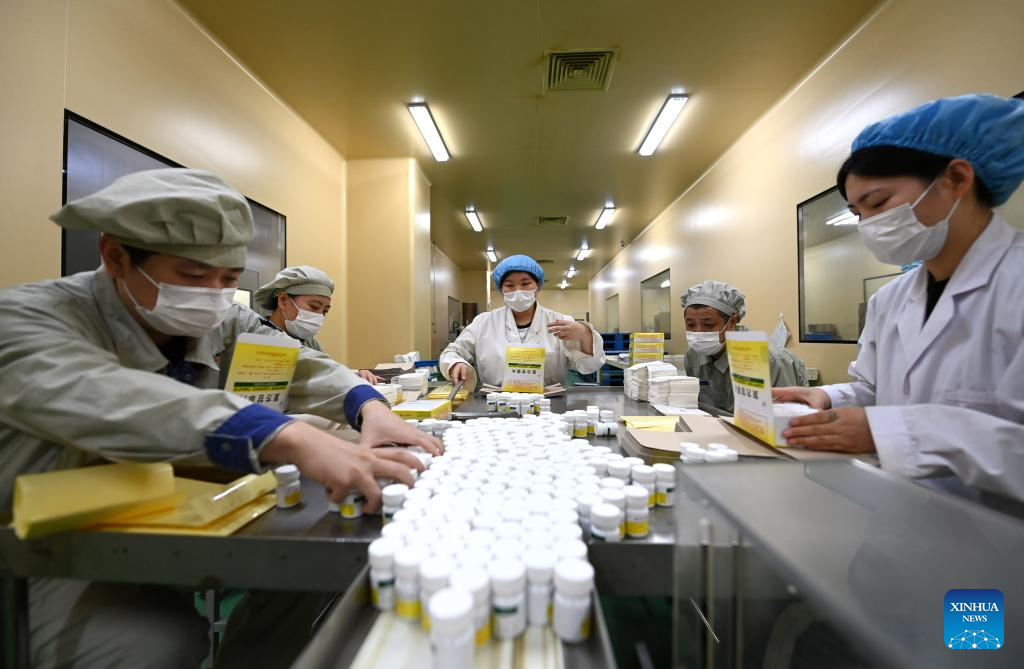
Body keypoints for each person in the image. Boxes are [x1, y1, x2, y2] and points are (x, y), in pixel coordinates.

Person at [0, 168, 440, 668]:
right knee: (157, 646)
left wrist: (367, 404)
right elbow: (113, 398)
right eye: (191, 276)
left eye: (228, 279)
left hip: (175, 516)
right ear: (115, 256)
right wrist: (282, 434)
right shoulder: (26, 320)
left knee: (301, 573)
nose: (211, 294)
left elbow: (296, 362)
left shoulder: (222, 319)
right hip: (44, 550)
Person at [774, 94, 1024, 505]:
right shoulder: (890, 300)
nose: (869, 225)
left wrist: (892, 432)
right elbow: (875, 391)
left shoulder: (1013, 284)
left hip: (1003, 542)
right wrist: (827, 398)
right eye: (857, 214)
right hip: (894, 517)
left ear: (957, 179)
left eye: (878, 203)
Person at [440, 254, 605, 388]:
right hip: (495, 404)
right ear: (501, 289)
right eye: (509, 285)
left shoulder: (560, 322)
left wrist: (584, 334)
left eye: (526, 283)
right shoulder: (483, 323)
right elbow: (452, 352)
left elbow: (588, 366)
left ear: (537, 286)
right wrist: (455, 363)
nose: (518, 291)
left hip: (549, 407)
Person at [681, 279, 807, 413]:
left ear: (732, 322)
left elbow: (786, 420)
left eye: (708, 325)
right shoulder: (693, 355)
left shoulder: (770, 359)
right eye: (690, 325)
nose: (698, 332)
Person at [253, 265, 383, 383]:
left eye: (325, 311)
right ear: (283, 300)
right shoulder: (258, 337)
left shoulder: (309, 343)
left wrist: (354, 375)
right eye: (314, 307)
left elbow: (326, 372)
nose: (319, 315)